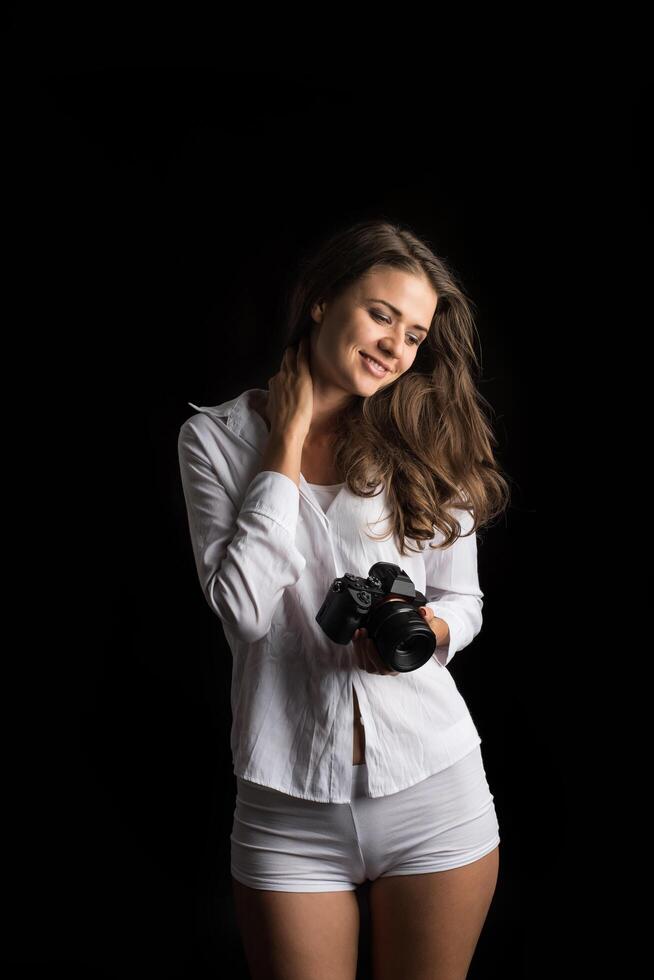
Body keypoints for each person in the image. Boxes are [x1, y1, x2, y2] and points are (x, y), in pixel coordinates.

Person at [178, 219, 511, 979]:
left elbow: (464, 598)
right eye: (382, 314)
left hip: (434, 788)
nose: (398, 346)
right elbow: (245, 610)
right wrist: (285, 438)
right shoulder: (215, 441)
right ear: (323, 301)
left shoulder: (427, 436)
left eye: (416, 333)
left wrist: (431, 625)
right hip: (286, 807)